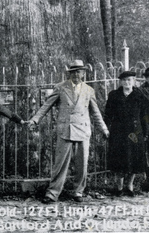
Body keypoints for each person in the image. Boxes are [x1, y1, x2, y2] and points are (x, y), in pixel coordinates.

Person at [28, 60, 109, 203]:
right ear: (69, 73)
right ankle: (52, 193)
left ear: (83, 74)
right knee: (60, 163)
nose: (76, 75)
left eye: (79, 72)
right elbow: (46, 105)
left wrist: (104, 129)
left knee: (82, 164)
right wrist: (35, 119)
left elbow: (96, 113)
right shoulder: (60, 88)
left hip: (83, 129)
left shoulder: (89, 90)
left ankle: (78, 192)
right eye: (73, 72)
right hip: (65, 129)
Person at [104, 71, 147, 196]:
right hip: (118, 131)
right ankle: (119, 187)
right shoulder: (114, 95)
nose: (127, 82)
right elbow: (108, 114)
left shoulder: (139, 95)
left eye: (130, 80)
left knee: (134, 158)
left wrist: (145, 131)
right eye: (125, 80)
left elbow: (146, 115)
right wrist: (105, 128)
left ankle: (130, 185)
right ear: (121, 82)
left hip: (135, 131)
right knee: (119, 158)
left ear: (134, 81)